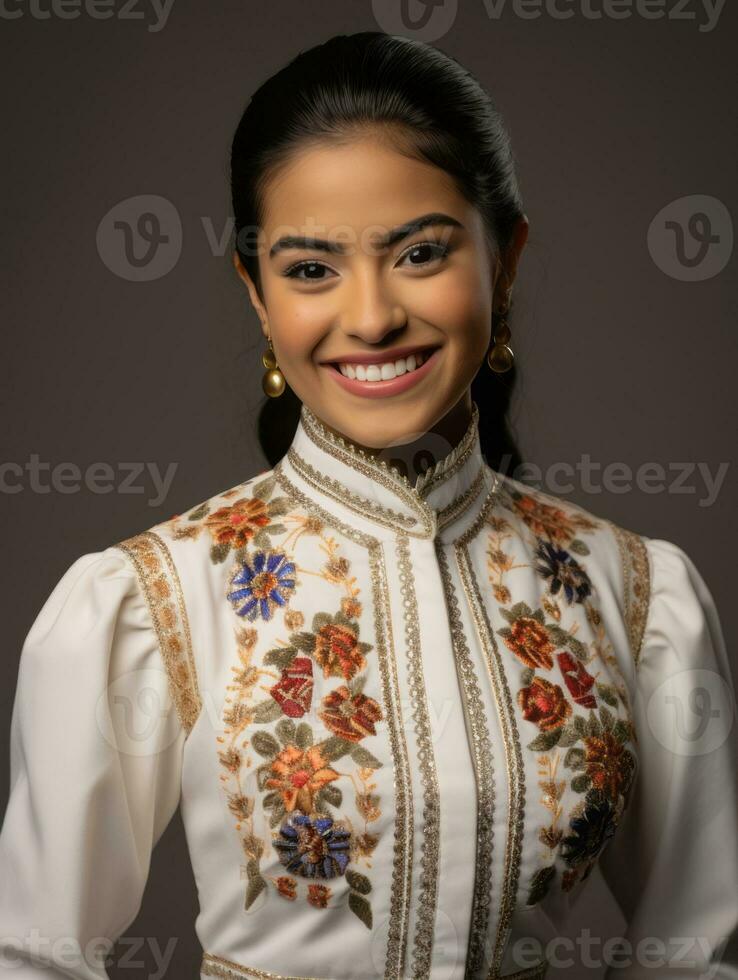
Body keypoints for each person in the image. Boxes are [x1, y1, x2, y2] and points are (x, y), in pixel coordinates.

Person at [1, 30, 736, 980]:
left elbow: (699, 951)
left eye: (421, 253)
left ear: (505, 257)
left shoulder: (634, 596)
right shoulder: (153, 599)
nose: (373, 315)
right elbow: (31, 956)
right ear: (257, 294)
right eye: (311, 269)